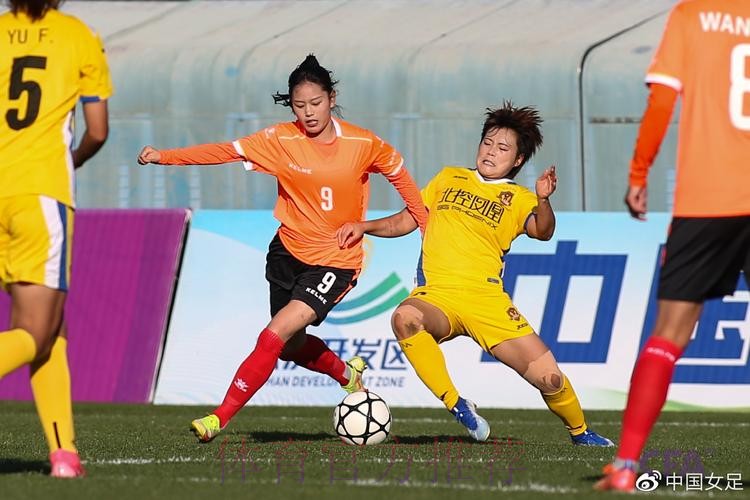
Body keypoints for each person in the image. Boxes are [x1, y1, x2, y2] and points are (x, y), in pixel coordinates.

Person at [137, 54, 428, 443]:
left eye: (316, 103)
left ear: (332, 99)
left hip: (335, 261)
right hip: (287, 253)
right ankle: (347, 374)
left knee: (274, 334)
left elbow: (403, 180)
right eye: (299, 105)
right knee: (290, 347)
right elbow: (225, 151)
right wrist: (164, 157)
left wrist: (427, 230)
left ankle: (218, 418)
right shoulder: (280, 139)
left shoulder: (363, 143)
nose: (308, 112)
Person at [337, 102, 613, 446]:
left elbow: (543, 231)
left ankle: (581, 432)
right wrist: (364, 226)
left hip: (487, 302)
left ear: (518, 160)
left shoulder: (519, 197)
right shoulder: (448, 178)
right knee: (405, 318)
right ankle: (458, 404)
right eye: (487, 143)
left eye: (502, 148)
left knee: (550, 380)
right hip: (438, 295)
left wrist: (543, 200)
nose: (491, 152)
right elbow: (406, 220)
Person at [595, 0, 750, 492]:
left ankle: (625, 466)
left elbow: (662, 103)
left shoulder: (691, 15)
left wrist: (638, 174)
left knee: (668, 336)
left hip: (709, 199)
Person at [0, 0, 112, 478]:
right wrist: (74, 160)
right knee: (36, 331)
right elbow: (97, 131)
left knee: (50, 331)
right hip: (39, 194)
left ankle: (64, 455)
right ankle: (63, 454)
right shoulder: (76, 34)